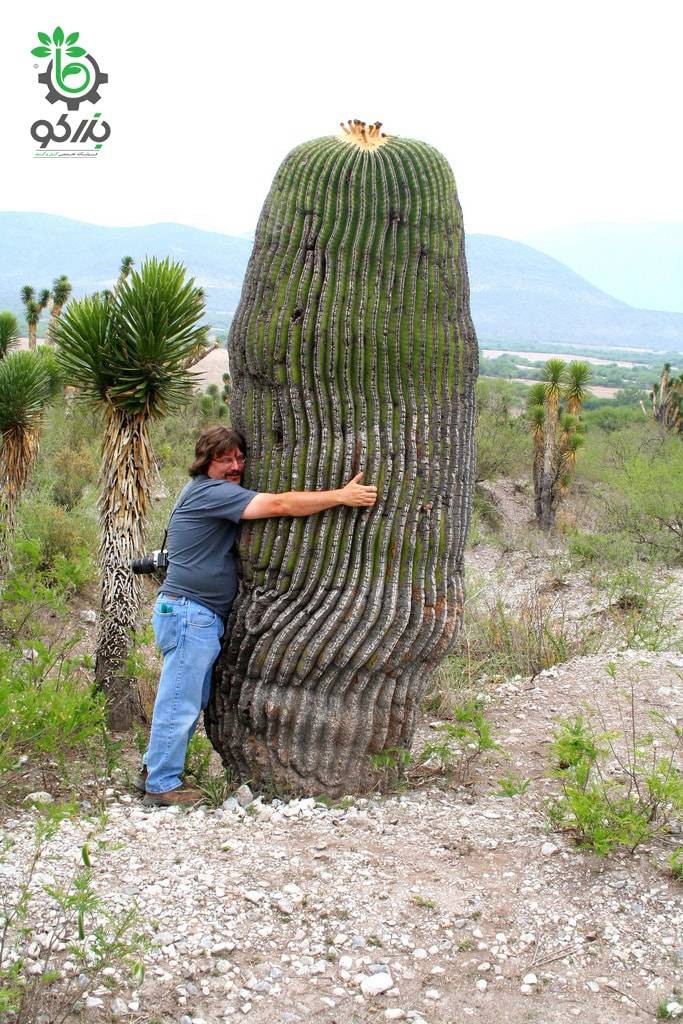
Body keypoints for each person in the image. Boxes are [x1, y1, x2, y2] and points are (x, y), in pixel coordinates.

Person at [139, 425, 377, 807]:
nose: (235, 467)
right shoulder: (212, 492)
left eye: (239, 458)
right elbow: (280, 506)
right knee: (180, 700)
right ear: (205, 463)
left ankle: (157, 772)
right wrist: (342, 497)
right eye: (224, 460)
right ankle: (162, 785)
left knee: (185, 697)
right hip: (190, 612)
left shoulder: (210, 492)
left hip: (191, 613)